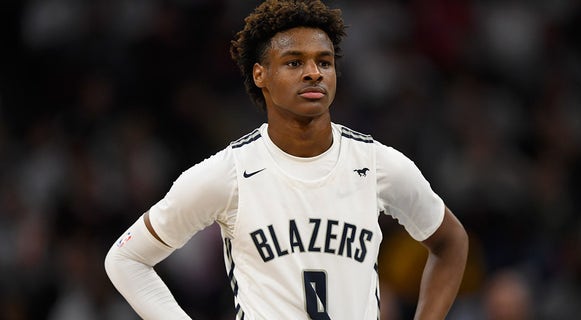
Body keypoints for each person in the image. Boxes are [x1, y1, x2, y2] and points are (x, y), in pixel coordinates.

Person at [104, 0, 468, 319]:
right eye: (294, 62)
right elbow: (125, 259)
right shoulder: (227, 173)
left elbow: (451, 242)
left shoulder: (378, 164)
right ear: (260, 74)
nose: (313, 72)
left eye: (323, 62)